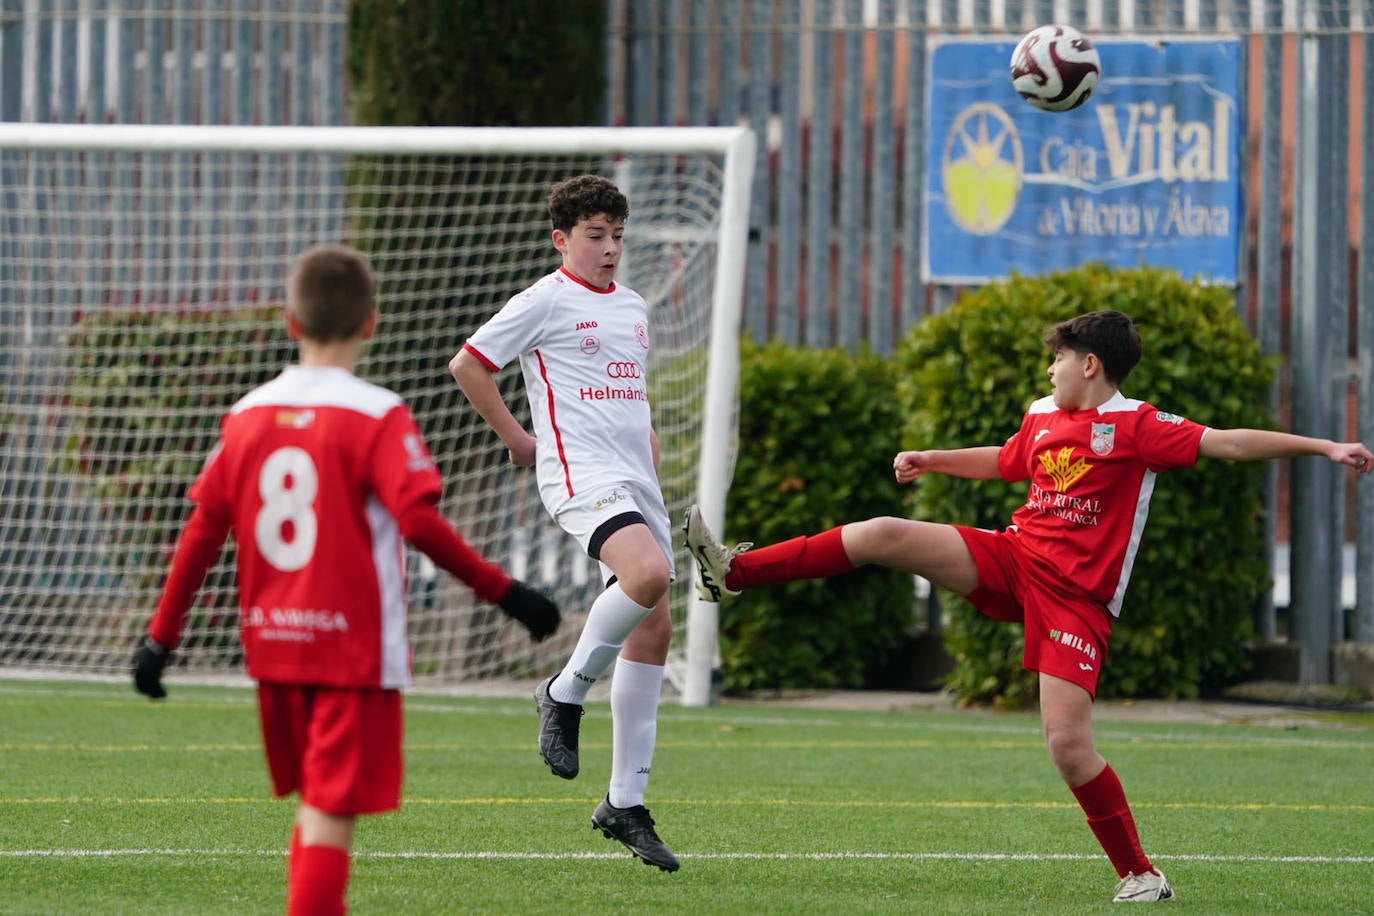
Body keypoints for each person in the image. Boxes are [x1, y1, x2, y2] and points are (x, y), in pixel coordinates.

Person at [684, 309, 1374, 904]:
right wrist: (933, 458)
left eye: (1059, 359)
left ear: (1091, 364)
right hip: (1013, 558)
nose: (1049, 371)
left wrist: (1326, 446)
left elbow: (1230, 442)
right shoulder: (1045, 416)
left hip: (1077, 601)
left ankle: (1140, 875)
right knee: (881, 533)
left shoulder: (1136, 426)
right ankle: (736, 573)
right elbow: (1011, 460)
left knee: (1068, 748)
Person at [132, 243, 561, 916]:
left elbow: (202, 532)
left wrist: (160, 638)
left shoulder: (246, 416)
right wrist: (505, 592)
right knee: (332, 811)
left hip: (274, 645)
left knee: (316, 803)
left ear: (290, 322)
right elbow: (417, 524)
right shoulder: (376, 413)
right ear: (371, 323)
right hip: (350, 651)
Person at [449, 174, 680, 872]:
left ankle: (624, 804)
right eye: (595, 236)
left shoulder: (634, 307)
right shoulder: (544, 300)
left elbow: (629, 397)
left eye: (617, 236)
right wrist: (517, 439)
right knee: (646, 575)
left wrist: (652, 468)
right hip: (578, 473)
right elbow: (469, 364)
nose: (610, 249)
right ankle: (564, 690)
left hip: (633, 478)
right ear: (562, 239)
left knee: (656, 621)